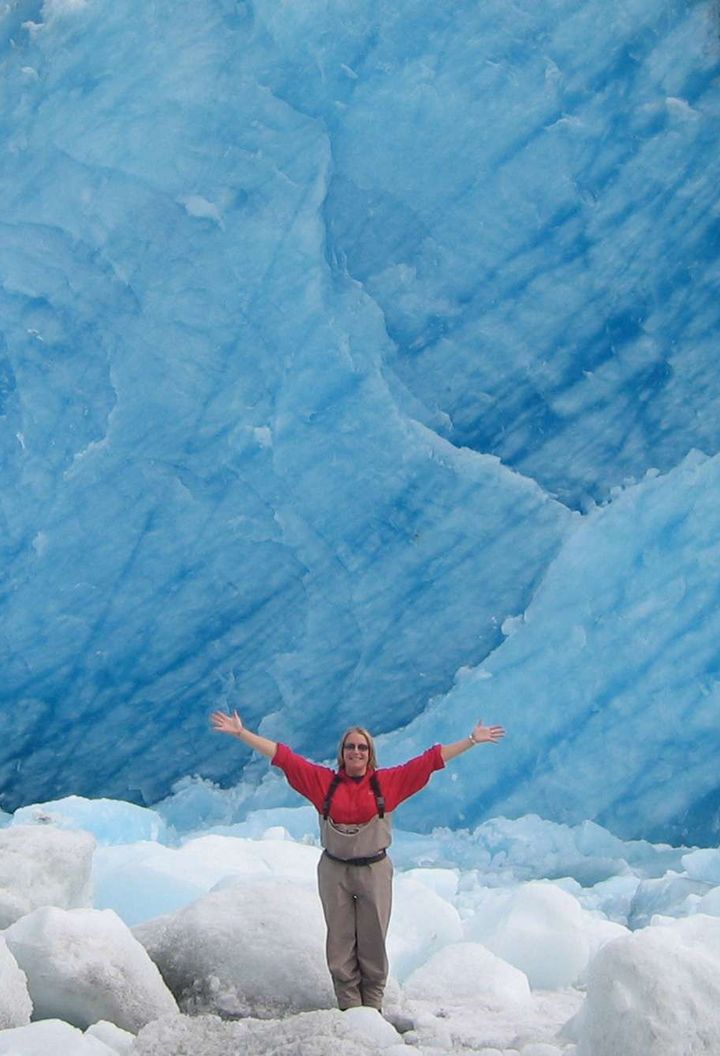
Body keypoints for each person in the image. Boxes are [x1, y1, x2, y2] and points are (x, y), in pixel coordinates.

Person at [211, 710, 505, 1012]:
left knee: (373, 939)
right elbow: (284, 758)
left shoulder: (387, 783)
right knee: (339, 942)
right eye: (350, 747)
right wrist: (241, 733)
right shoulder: (323, 782)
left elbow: (430, 761)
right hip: (334, 869)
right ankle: (350, 1008)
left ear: (370, 754)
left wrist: (471, 740)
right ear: (342, 753)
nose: (356, 752)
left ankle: (372, 1008)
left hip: (374, 870)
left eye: (362, 747)